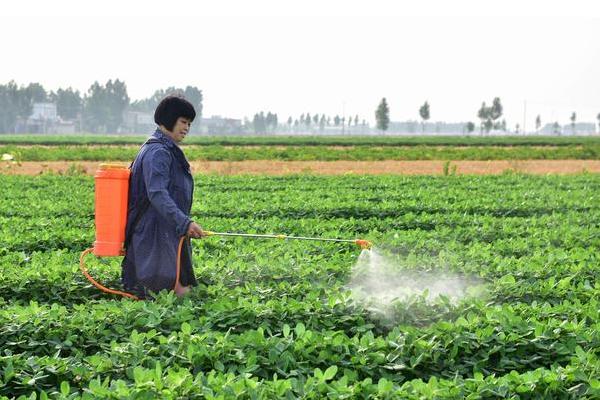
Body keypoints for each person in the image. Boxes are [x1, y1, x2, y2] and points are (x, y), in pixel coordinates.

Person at [121, 95, 206, 298]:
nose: (186, 128)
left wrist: (182, 224)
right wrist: (184, 223)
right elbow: (157, 193)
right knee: (170, 293)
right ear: (169, 120)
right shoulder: (158, 152)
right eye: (183, 122)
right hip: (154, 234)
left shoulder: (163, 149)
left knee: (175, 292)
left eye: (189, 124)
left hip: (163, 231)